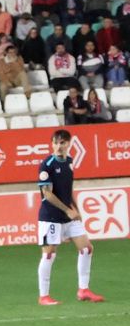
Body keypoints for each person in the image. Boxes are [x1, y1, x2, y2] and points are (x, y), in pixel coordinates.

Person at [32, 129, 106, 305]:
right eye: (56, 142)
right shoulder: (46, 165)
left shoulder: (70, 163)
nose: (59, 146)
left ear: (69, 144)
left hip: (68, 215)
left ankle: (83, 290)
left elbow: (67, 190)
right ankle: (44, 296)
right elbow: (47, 194)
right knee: (49, 254)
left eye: (63, 142)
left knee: (87, 248)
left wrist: (77, 209)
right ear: (52, 144)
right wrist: (68, 211)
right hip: (50, 217)